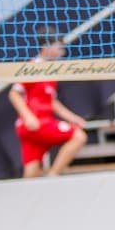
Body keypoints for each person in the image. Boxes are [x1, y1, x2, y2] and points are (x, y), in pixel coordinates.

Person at [10, 34, 90, 178]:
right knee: (79, 136)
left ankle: (25, 198)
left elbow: (52, 102)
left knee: (31, 172)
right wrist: (28, 117)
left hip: (37, 127)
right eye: (59, 48)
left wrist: (74, 118)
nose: (62, 52)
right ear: (46, 46)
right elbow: (14, 94)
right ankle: (53, 176)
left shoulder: (50, 71)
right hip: (36, 124)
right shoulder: (34, 67)